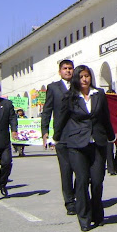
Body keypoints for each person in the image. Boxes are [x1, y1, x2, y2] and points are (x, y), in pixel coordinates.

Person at [53, 65, 116, 232]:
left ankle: (97, 213)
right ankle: (84, 218)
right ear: (76, 79)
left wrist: (111, 136)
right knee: (81, 180)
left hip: (97, 143)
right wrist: (56, 137)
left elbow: (105, 116)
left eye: (87, 76)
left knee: (96, 181)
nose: (84, 79)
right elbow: (61, 118)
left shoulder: (99, 95)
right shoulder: (70, 97)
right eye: (81, 76)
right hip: (76, 144)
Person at [41, 59, 77, 216]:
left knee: (81, 170)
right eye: (65, 68)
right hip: (61, 135)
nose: (68, 71)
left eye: (70, 68)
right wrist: (45, 131)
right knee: (66, 169)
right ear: (60, 71)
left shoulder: (79, 86)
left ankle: (78, 196)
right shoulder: (53, 88)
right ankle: (69, 202)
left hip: (78, 133)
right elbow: (47, 110)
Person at [104, 89, 117, 175]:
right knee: (109, 149)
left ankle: (116, 165)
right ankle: (111, 169)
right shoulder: (104, 105)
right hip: (108, 129)